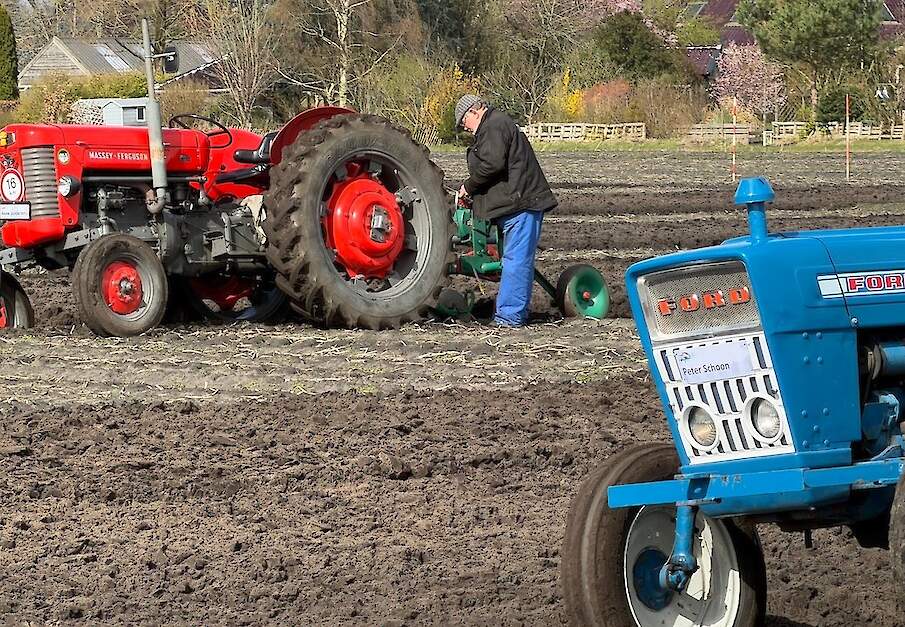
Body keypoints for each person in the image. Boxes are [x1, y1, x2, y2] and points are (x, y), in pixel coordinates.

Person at [454, 94, 557, 327]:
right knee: (513, 259)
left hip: (522, 203)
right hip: (511, 204)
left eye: (464, 122)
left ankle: (509, 318)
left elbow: (493, 164)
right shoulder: (491, 127)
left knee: (515, 261)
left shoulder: (495, 124)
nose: (464, 128)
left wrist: (468, 187)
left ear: (475, 111)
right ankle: (509, 311)